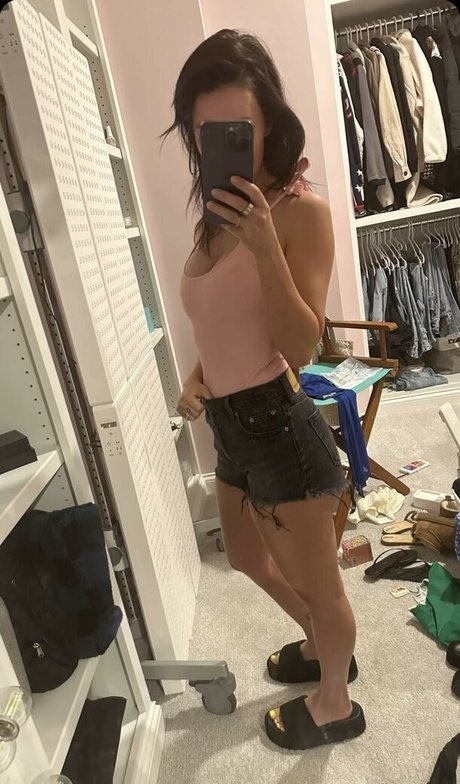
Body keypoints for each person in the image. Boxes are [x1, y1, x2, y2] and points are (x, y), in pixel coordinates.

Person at [165, 29, 365, 751]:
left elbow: (303, 344)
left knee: (322, 587)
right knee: (247, 557)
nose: (219, 144)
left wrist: (264, 245)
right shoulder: (212, 219)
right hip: (229, 423)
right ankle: (322, 644)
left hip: (279, 424)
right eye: (205, 131)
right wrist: (196, 379)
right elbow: (220, 323)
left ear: (269, 125)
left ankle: (336, 700)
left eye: (237, 130)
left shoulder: (300, 212)